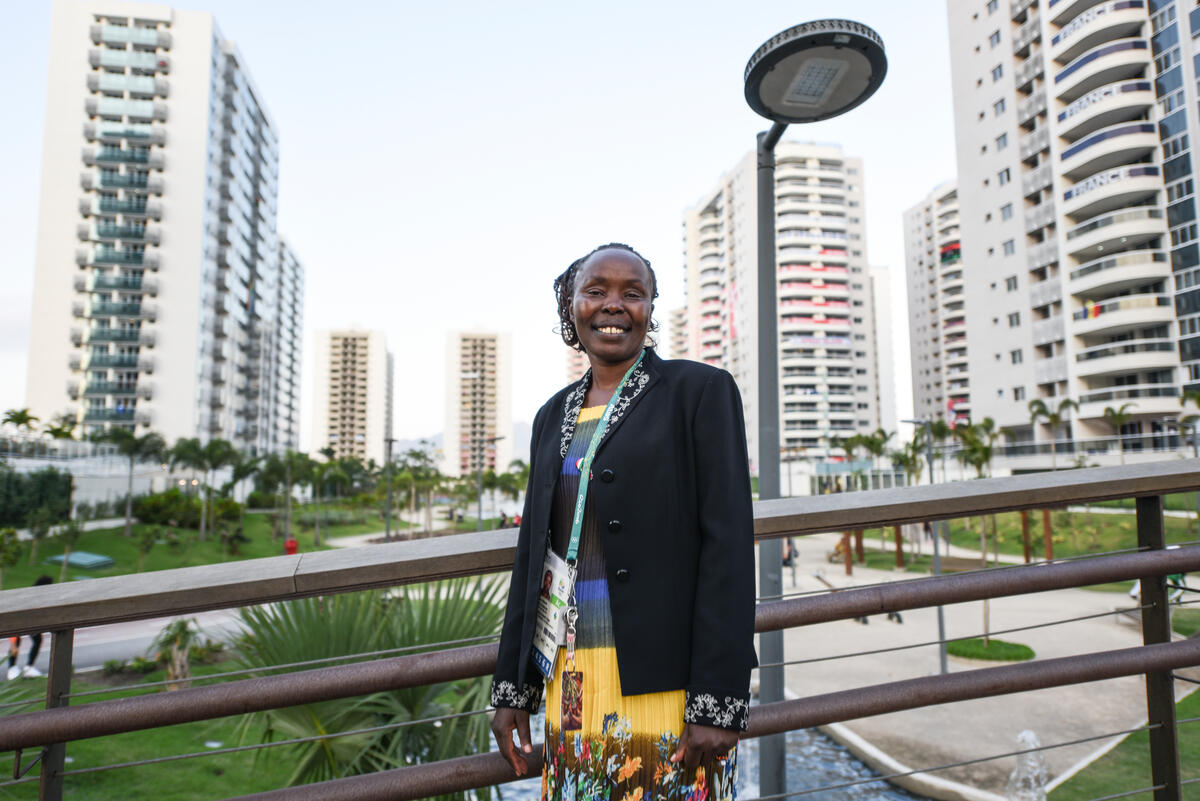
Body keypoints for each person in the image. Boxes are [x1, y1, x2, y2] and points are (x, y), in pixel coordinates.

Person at [490, 244, 756, 801]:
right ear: (572, 306)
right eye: (596, 291)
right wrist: (513, 689)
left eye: (632, 294)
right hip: (572, 682)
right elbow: (531, 556)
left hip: (669, 687)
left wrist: (718, 700)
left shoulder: (699, 393)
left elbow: (728, 550)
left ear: (650, 308)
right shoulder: (551, 416)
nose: (614, 305)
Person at [7, 575, 53, 680]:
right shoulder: (30, 597)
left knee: (37, 640)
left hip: (28, 620)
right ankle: (12, 668)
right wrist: (13, 643)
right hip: (17, 620)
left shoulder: (39, 596)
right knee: (16, 642)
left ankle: (28, 667)